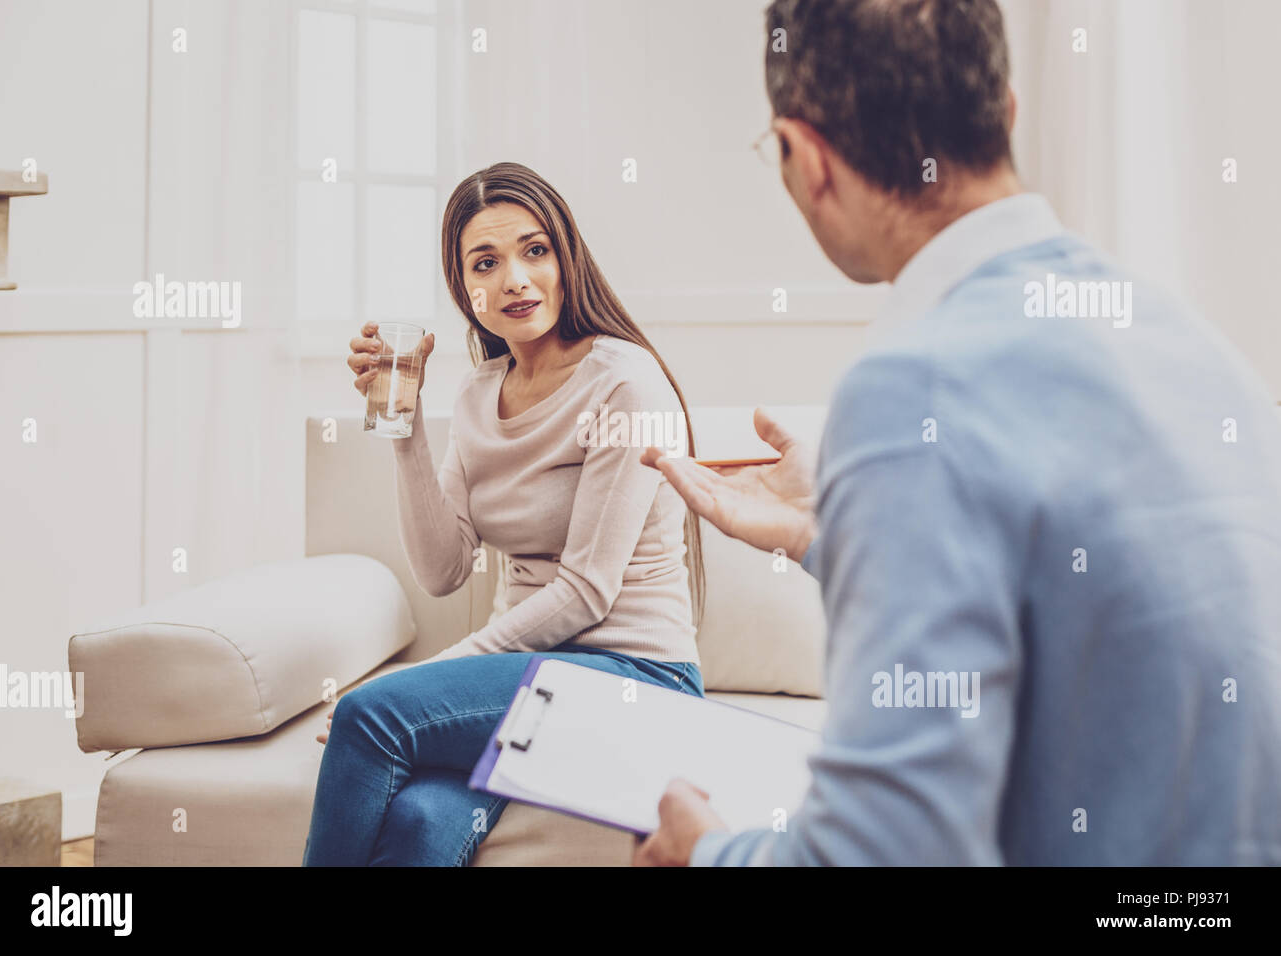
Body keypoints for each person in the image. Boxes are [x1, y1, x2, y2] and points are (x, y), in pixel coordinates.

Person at [633, 0, 1281, 866]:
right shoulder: (1185, 339)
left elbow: (888, 852)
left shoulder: (914, 384)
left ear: (806, 159)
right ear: (1006, 111)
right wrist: (828, 532)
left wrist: (706, 855)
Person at [303, 161, 708, 866]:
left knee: (371, 715)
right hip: (525, 677)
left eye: (535, 250)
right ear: (464, 290)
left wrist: (421, 679)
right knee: (421, 824)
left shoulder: (624, 384)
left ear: (566, 257)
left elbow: (587, 592)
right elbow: (442, 568)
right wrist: (405, 425)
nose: (514, 279)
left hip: (639, 681)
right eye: (484, 264)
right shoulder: (478, 391)